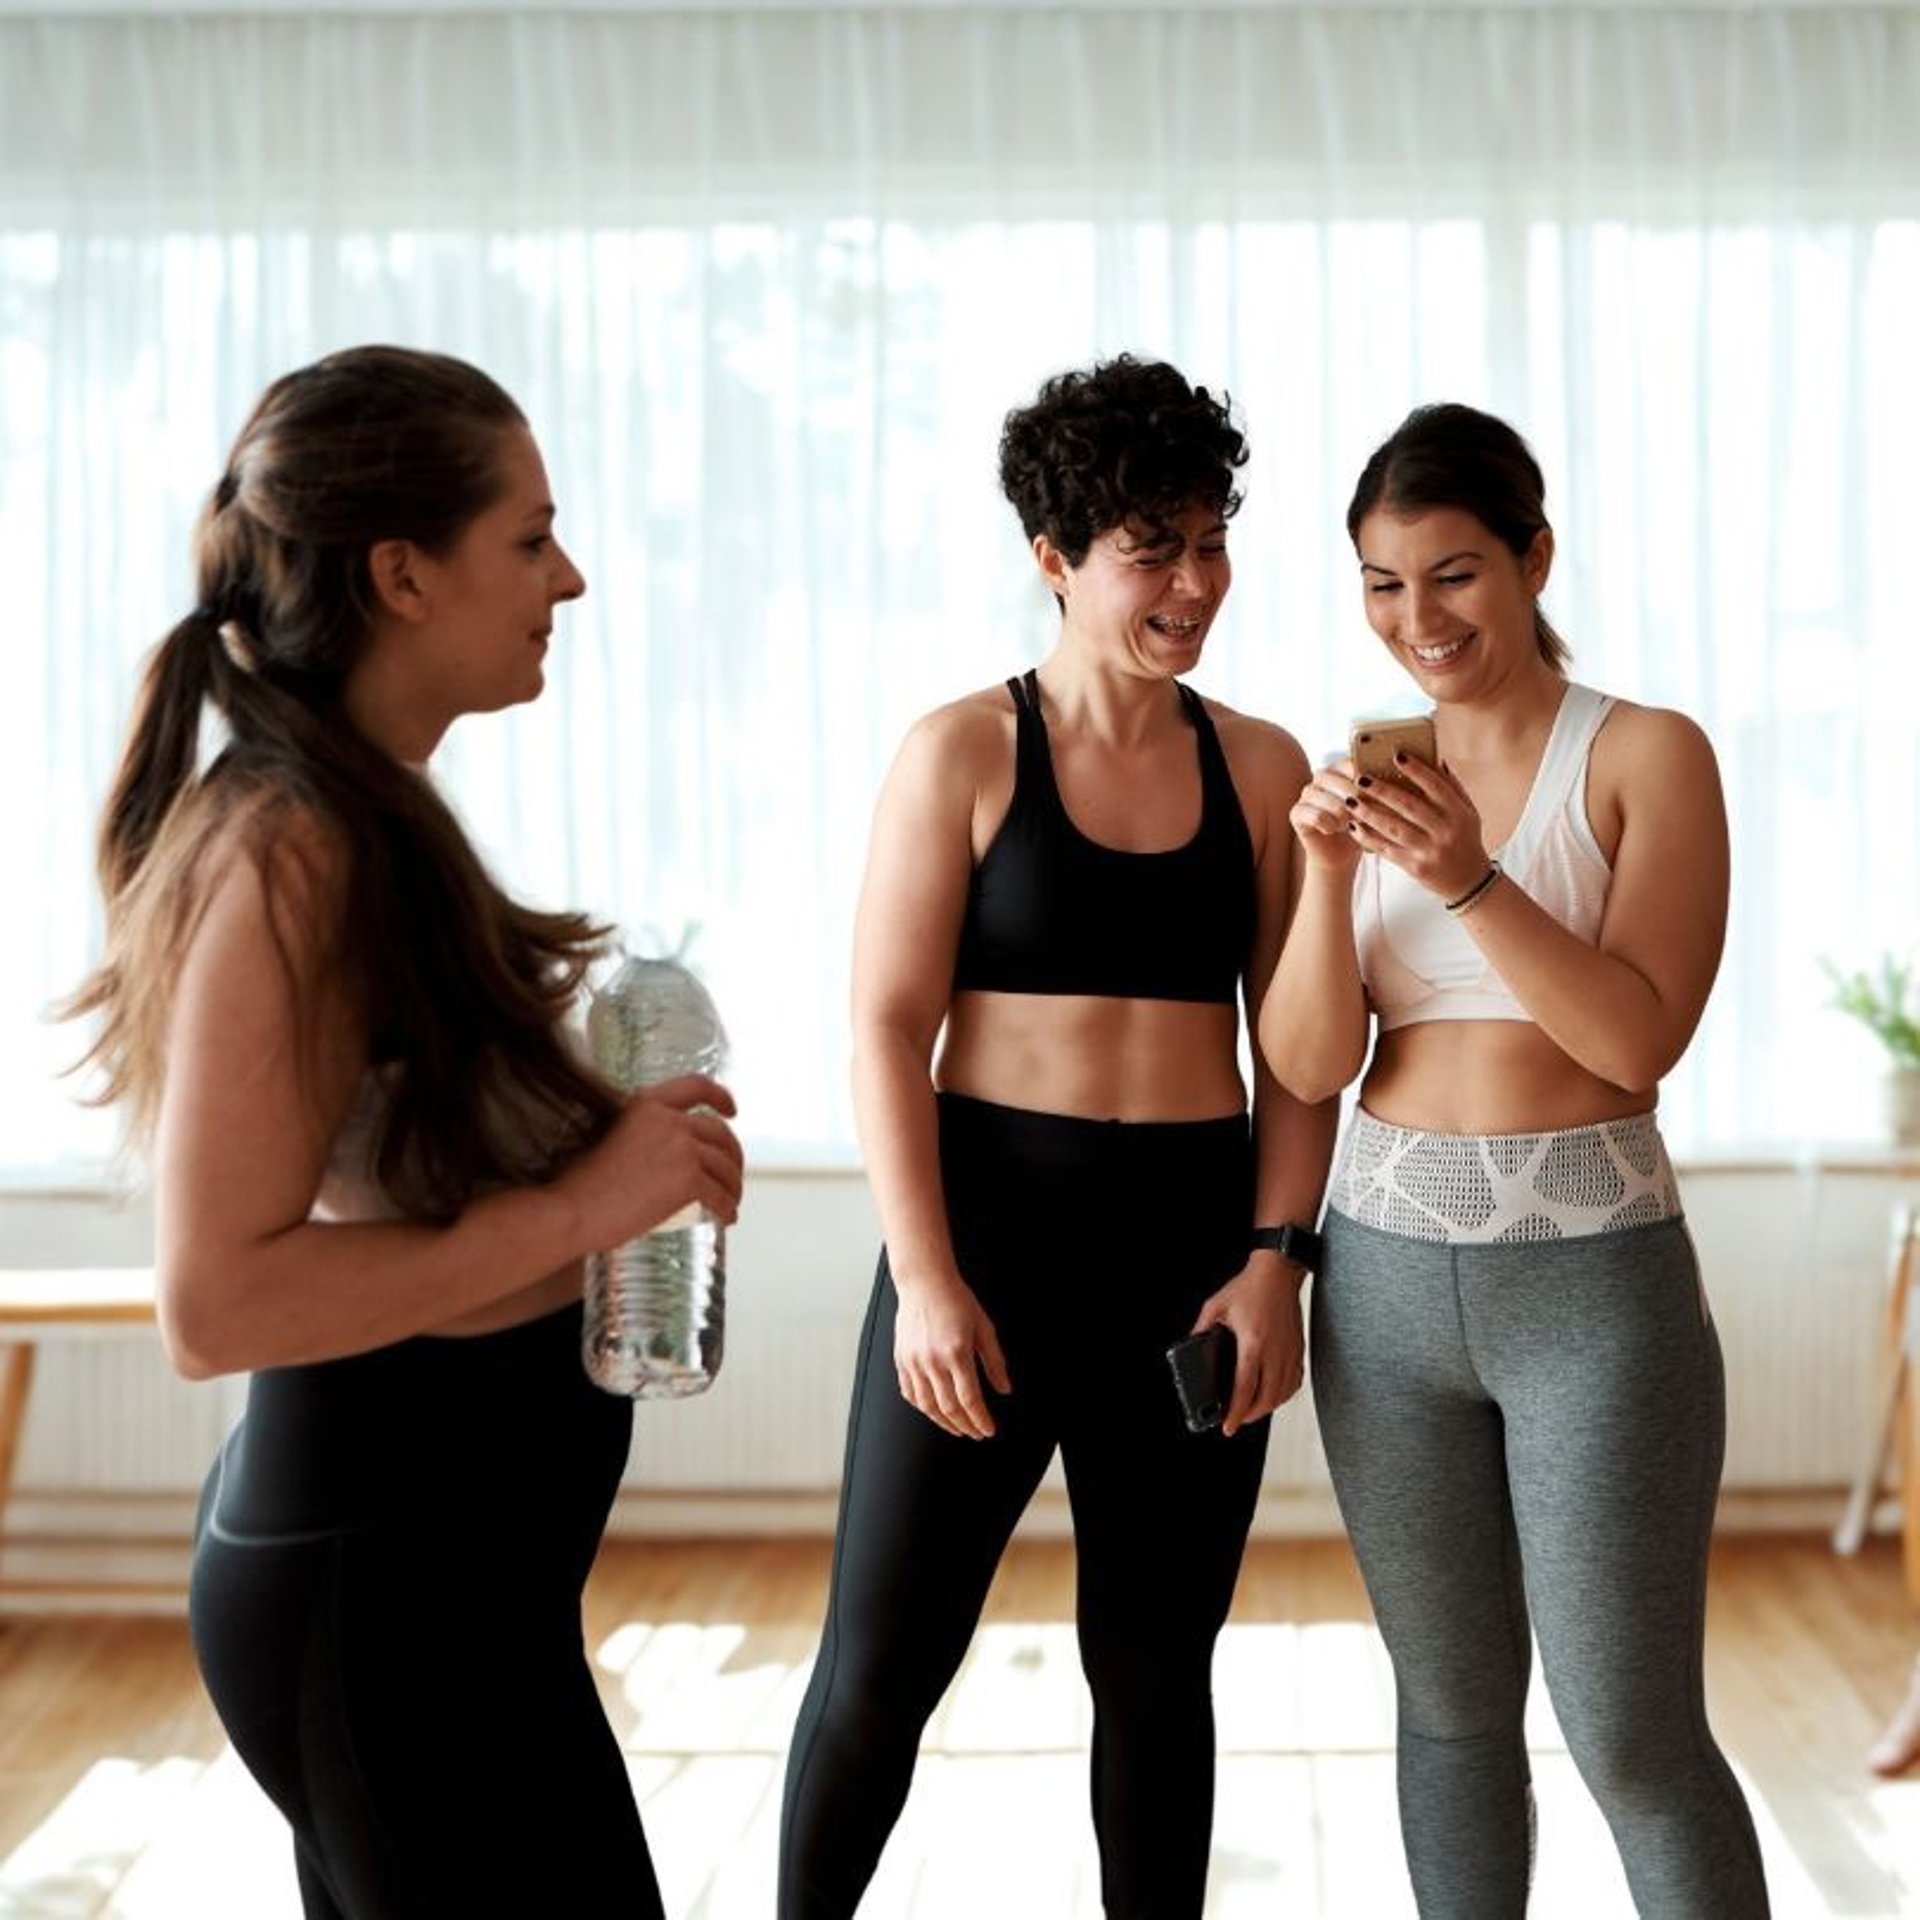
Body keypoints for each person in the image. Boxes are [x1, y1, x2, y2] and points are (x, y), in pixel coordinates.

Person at [63, 346, 744, 1919]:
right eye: (528, 536)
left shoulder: (366, 818)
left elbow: (404, 1205)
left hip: (449, 1594)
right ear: (401, 573)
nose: (567, 577)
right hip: (382, 1600)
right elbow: (217, 1303)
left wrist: (618, 1173)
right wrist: (586, 1207)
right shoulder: (297, 847)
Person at [777, 353, 1336, 1920]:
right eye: (1151, 548)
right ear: (1054, 557)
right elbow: (885, 1028)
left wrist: (1275, 1261)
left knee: (1159, 1677)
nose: (1195, 581)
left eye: (1211, 539)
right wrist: (929, 1278)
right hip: (987, 1245)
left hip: (1188, 1256)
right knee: (883, 1665)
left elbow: (1297, 1060)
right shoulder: (960, 751)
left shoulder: (1264, 766)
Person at [1259, 401, 1770, 1916]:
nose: (1418, 620)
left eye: (1456, 573)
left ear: (1537, 557)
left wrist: (1468, 877)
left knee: (1629, 1732)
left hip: (1596, 1294)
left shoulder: (1647, 755)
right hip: (1386, 1284)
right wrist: (1324, 874)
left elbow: (1635, 1041)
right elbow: (1304, 1064)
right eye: (1382, 583)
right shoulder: (1362, 785)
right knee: (1451, 1718)